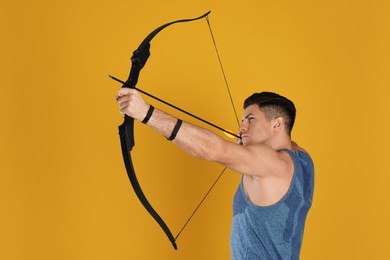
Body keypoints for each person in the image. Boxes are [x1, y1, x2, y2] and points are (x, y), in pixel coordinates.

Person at [116, 89, 314, 259]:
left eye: (251, 119)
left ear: (277, 124)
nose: (242, 127)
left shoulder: (273, 164)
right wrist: (246, 151)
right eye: (242, 120)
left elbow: (213, 149)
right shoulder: (302, 159)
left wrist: (146, 113)